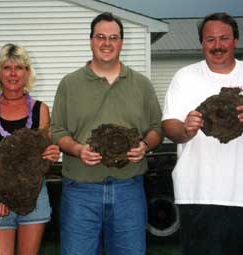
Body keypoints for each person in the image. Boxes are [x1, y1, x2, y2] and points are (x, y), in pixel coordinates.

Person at [162, 12, 243, 255]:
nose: (217, 45)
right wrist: (186, 129)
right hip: (196, 194)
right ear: (202, 43)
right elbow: (169, 126)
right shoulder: (185, 77)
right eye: (210, 40)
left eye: (224, 38)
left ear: (235, 40)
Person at [51, 12, 163, 255]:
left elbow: (157, 128)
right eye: (100, 36)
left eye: (114, 37)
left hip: (129, 191)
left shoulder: (141, 84)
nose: (107, 43)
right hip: (81, 191)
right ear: (91, 40)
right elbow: (57, 131)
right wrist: (78, 149)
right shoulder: (70, 84)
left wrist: (145, 145)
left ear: (122, 42)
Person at [0, 43, 60, 255]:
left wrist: (51, 155)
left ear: (27, 72)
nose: (13, 74)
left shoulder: (41, 110)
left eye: (19, 67)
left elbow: (43, 161)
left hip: (34, 195)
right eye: (7, 67)